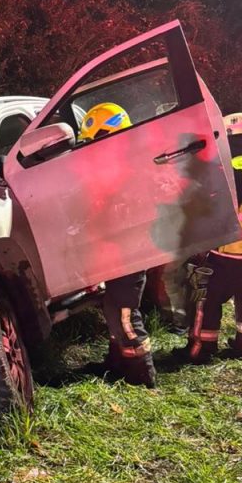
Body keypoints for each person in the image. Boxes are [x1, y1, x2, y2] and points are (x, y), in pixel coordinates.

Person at [79, 103, 157, 387]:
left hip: (130, 256)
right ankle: (117, 363)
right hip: (119, 254)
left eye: (94, 142)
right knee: (112, 307)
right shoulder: (119, 165)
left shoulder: (131, 168)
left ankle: (142, 377)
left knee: (126, 317)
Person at [187, 112, 242, 363]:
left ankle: (201, 348)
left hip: (230, 252)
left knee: (207, 298)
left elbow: (220, 213)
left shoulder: (233, 168)